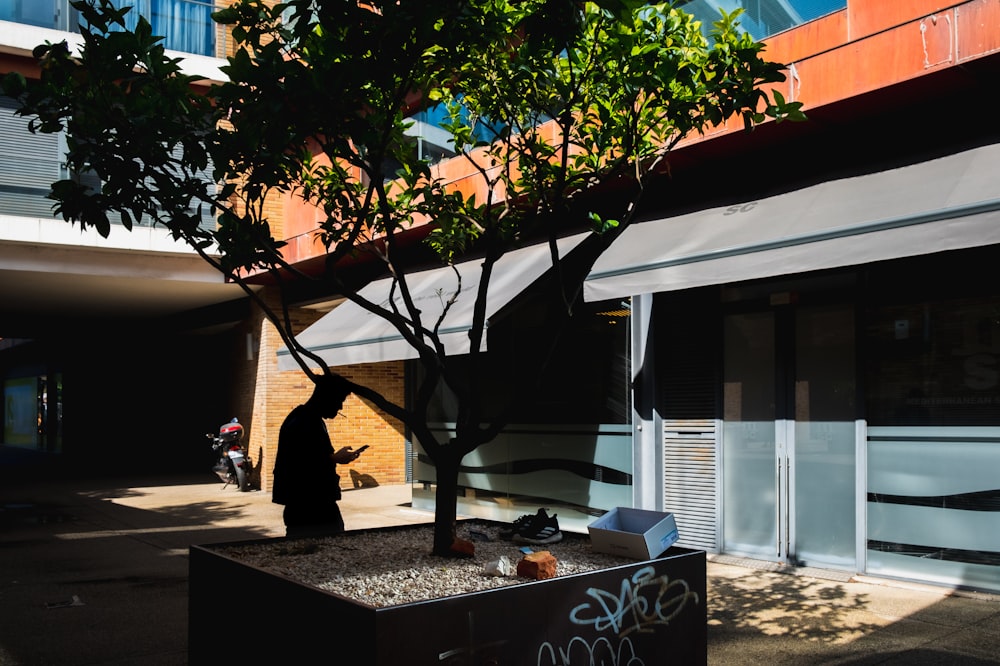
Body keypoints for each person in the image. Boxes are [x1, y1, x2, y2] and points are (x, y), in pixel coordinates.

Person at [272, 374, 362, 537]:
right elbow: (298, 465)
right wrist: (334, 459)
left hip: (314, 503)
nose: (340, 407)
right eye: (339, 400)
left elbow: (309, 455)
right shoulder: (303, 422)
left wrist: (333, 458)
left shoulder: (306, 419)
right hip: (308, 506)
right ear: (328, 397)